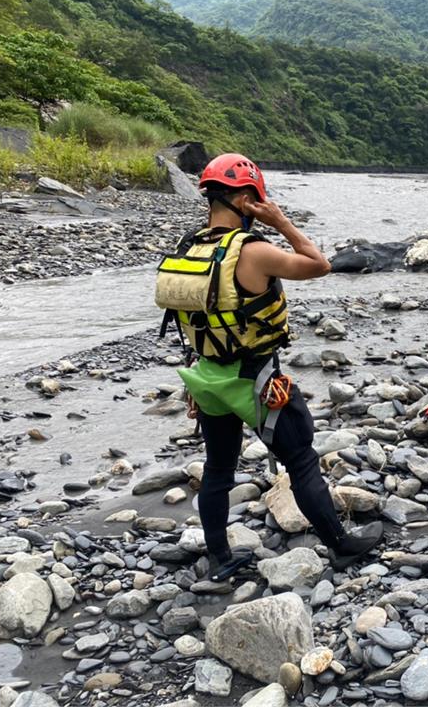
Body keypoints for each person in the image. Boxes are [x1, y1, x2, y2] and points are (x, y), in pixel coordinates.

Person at [155, 153, 382, 581]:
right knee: (300, 460)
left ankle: (220, 558)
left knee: (218, 470)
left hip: (205, 377)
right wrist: (281, 222)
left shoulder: (190, 246)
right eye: (256, 199)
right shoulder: (254, 251)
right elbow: (320, 264)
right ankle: (342, 545)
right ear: (245, 200)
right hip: (254, 379)